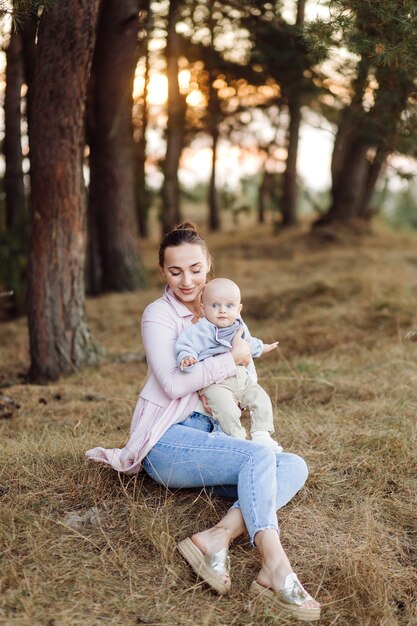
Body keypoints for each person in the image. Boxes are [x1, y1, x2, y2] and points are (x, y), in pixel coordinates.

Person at [86, 222, 321, 622]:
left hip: (215, 436)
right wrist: (232, 359)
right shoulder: (158, 316)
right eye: (175, 271)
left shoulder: (223, 307)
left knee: (293, 465)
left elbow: (247, 367)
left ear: (209, 265)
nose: (187, 280)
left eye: (195, 269)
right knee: (259, 458)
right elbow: (175, 383)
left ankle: (216, 537)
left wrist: (241, 373)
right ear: (163, 271)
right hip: (171, 440)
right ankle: (275, 567)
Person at [175, 277, 282, 451]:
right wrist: (187, 357)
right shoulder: (200, 330)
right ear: (203, 308)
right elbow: (185, 345)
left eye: (229, 306)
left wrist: (263, 347)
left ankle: (261, 435)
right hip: (216, 383)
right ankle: (237, 439)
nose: (222, 311)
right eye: (215, 306)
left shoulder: (238, 326)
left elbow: (249, 344)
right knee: (227, 410)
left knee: (261, 398)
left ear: (238, 309)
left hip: (241, 377)